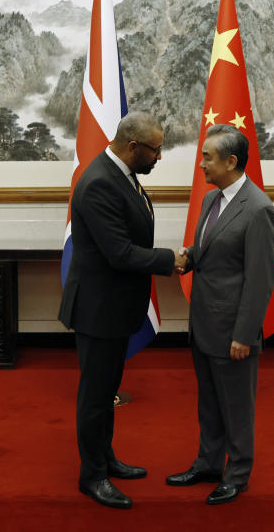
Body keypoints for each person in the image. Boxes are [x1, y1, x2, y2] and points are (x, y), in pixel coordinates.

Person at [58, 111, 187, 509]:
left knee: (107, 391)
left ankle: (106, 458)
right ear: (133, 148)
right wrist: (172, 261)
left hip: (114, 306)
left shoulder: (122, 174)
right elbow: (119, 253)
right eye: (155, 150)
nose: (159, 158)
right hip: (98, 310)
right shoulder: (99, 184)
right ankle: (91, 476)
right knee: (95, 397)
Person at [167, 124, 274, 505]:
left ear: (231, 162)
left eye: (207, 158)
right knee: (210, 401)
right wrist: (185, 258)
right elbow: (209, 250)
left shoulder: (259, 209)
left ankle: (237, 473)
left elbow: (260, 279)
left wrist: (244, 335)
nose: (201, 165)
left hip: (233, 329)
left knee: (237, 406)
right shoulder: (211, 200)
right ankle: (209, 463)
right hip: (203, 324)